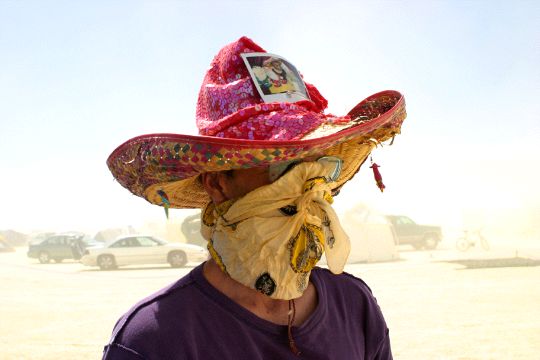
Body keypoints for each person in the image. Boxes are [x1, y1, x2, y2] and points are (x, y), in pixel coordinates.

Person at [103, 36, 406, 359]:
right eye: (287, 169)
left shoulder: (354, 305)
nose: (310, 193)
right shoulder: (154, 339)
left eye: (320, 168)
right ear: (218, 184)